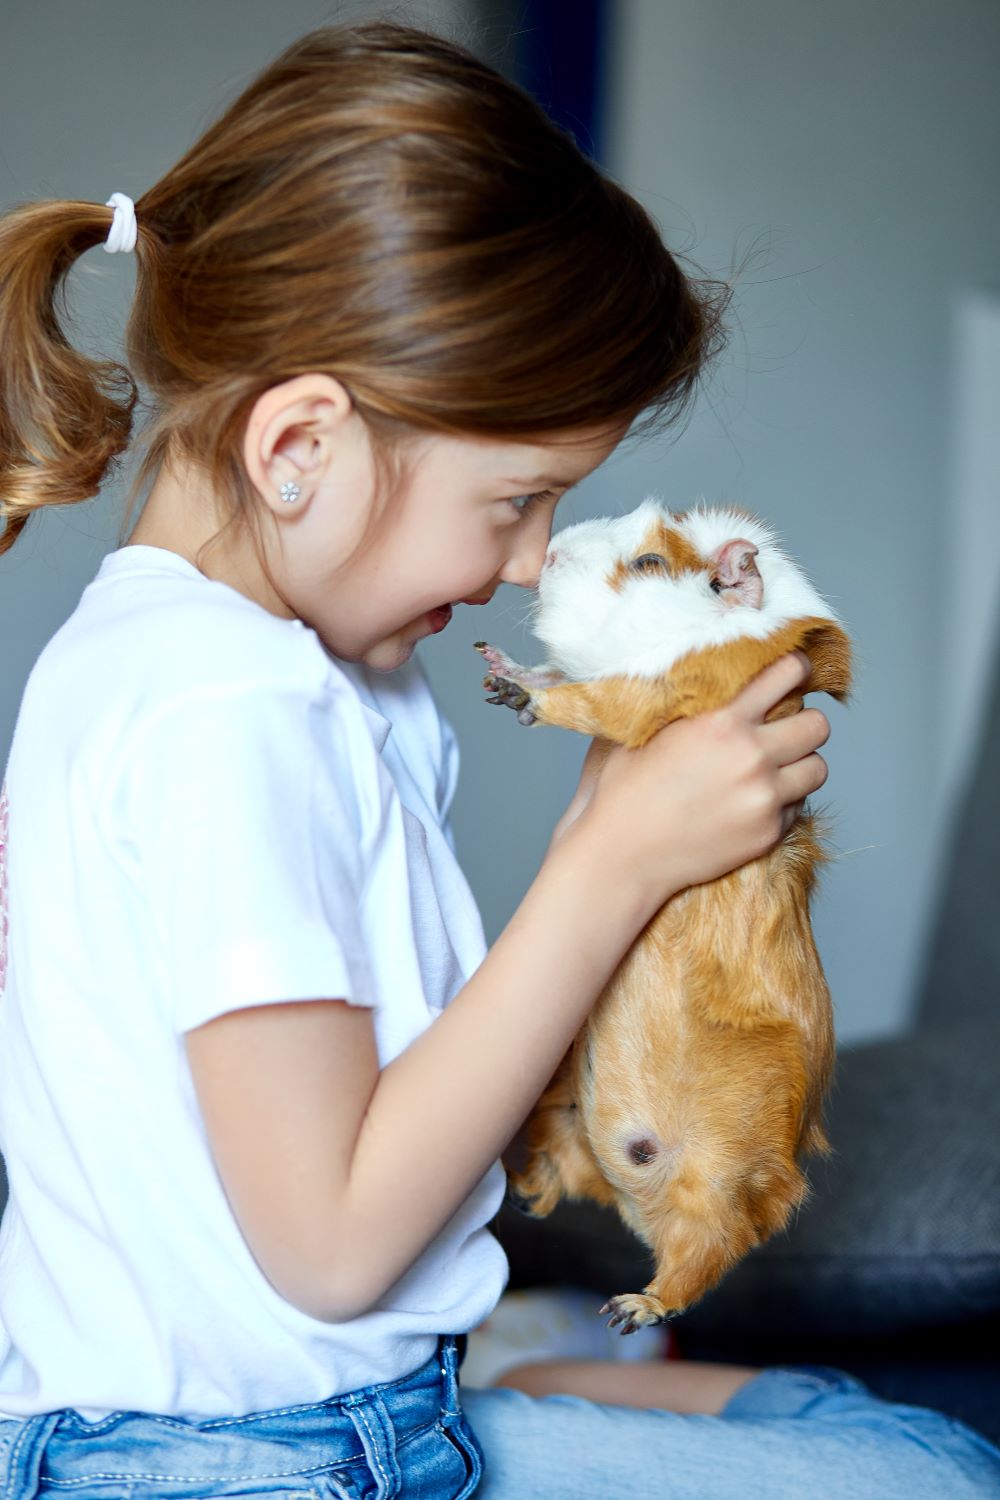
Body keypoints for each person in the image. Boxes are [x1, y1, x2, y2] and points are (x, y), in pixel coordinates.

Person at [0, 19, 996, 1500]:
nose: (536, 563)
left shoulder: (245, 672)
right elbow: (333, 1243)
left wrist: (624, 850)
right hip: (244, 1465)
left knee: (870, 1434)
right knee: (929, 1476)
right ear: (299, 449)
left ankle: (520, 1368)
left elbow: (363, 1118)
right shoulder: (227, 709)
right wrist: (605, 871)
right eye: (519, 498)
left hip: (318, 1412)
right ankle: (525, 1376)